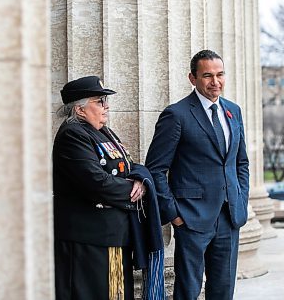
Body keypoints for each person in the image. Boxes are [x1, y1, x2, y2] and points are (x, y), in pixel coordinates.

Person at [145, 50, 250, 299]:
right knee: (188, 292)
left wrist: (241, 199)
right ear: (193, 78)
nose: (216, 82)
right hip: (191, 219)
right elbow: (156, 169)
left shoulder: (233, 111)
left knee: (223, 291)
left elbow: (241, 162)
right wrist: (174, 215)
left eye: (220, 74)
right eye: (207, 76)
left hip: (229, 217)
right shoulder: (177, 114)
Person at [53, 75, 165, 300]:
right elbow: (97, 182)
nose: (106, 106)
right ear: (80, 109)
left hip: (112, 233)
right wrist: (133, 191)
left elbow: (131, 165)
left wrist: (140, 182)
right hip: (89, 239)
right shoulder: (72, 134)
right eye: (99, 101)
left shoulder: (103, 131)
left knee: (117, 293)